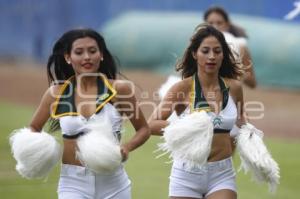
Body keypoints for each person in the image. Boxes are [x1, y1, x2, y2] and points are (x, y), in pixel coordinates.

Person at [28, 28, 150, 198]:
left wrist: (126, 148)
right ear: (68, 57)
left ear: (101, 55)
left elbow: (144, 129)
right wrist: (39, 151)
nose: (87, 57)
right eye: (79, 52)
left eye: (92, 51)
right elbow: (33, 127)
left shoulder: (119, 90)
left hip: (114, 182)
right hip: (73, 183)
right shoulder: (55, 93)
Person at [149, 24, 246, 199]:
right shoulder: (182, 88)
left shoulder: (235, 88)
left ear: (223, 55)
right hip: (187, 173)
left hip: (222, 173)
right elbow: (151, 125)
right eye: (205, 51)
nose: (211, 57)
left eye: (217, 51)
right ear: (195, 54)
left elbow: (241, 122)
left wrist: (251, 143)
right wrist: (188, 127)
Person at [204, 6, 257, 88]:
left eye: (219, 23)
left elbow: (252, 83)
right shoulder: (197, 45)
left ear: (227, 25)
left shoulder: (240, 46)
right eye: (211, 23)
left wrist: (237, 71)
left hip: (229, 95)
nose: (215, 27)